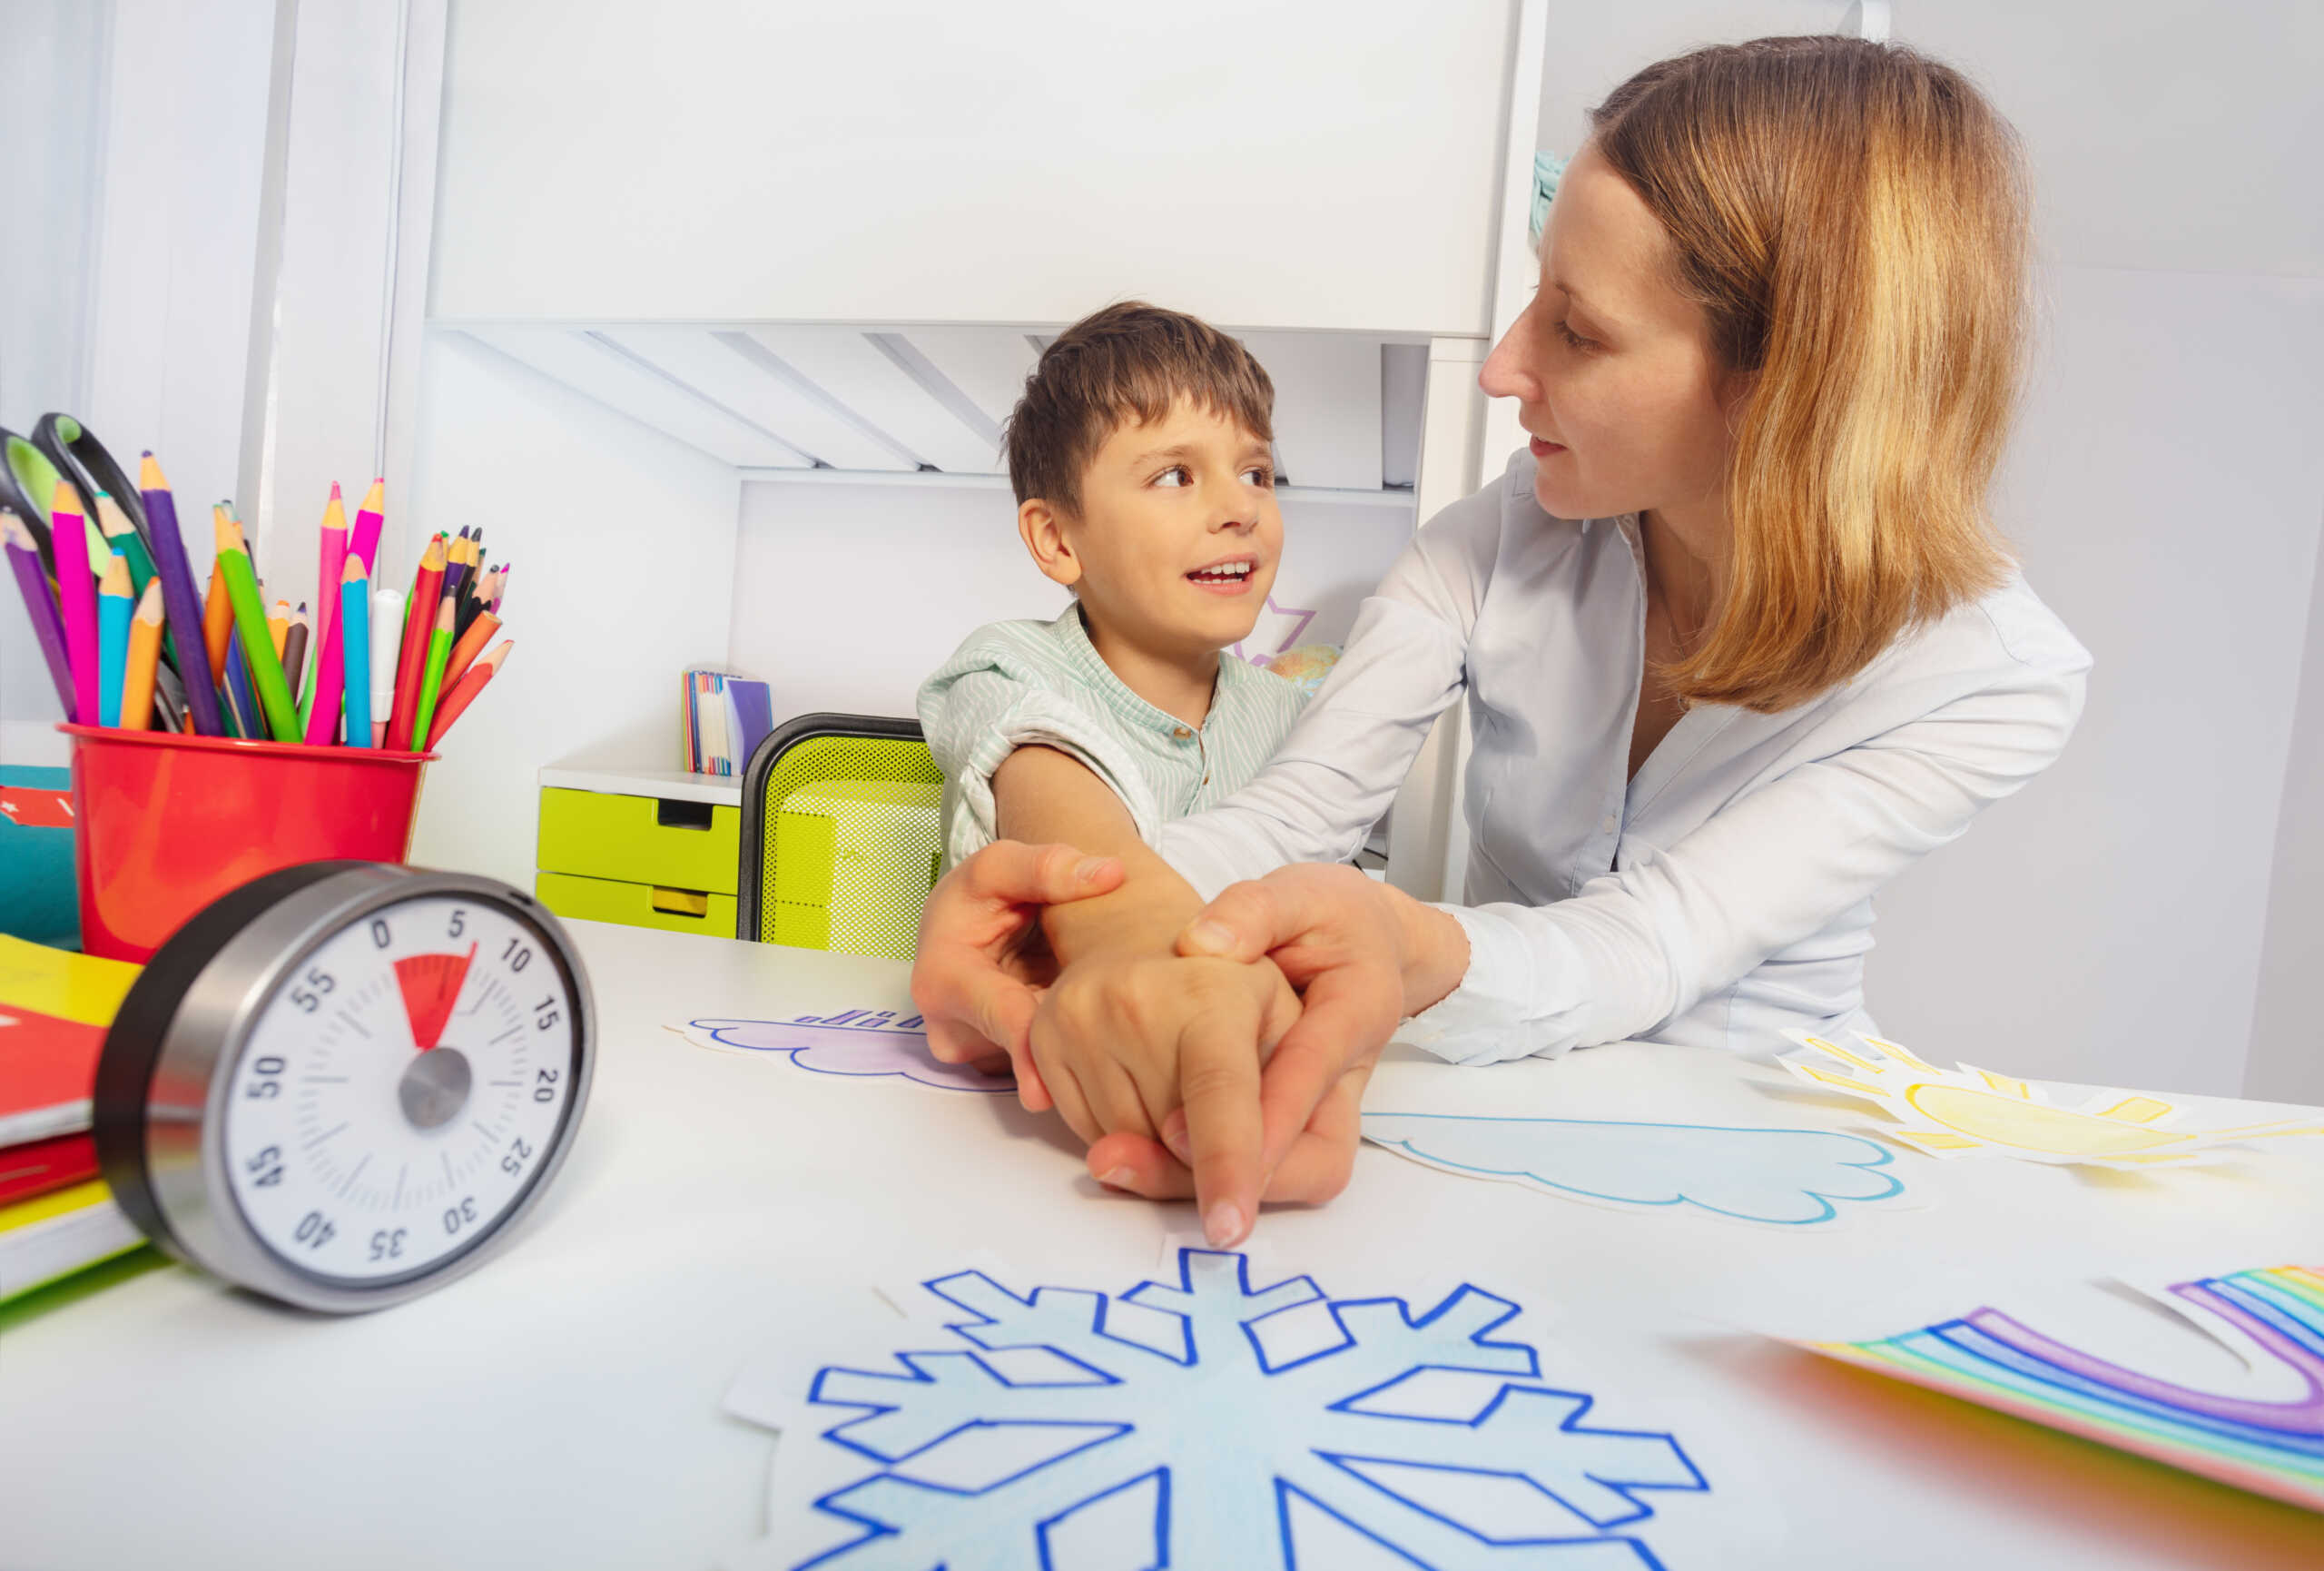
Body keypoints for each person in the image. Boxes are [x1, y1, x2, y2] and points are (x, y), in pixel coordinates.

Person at [911, 35, 2093, 1253]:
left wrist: (1405, 942)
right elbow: (1295, 815)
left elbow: (1656, 941)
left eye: (1577, 330)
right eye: (1540, 290)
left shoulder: (1991, 676)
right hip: (1482, 1114)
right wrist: (1086, 924)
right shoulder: (1490, 542)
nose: (1503, 365)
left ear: (1782, 387)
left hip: (1764, 1146)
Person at [916, 301, 1315, 1089]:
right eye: (1175, 475)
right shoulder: (1006, 669)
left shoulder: (1290, 721)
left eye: (1256, 473)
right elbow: (1045, 772)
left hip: (1248, 1064)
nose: (1239, 509)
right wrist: (1133, 938)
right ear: (1059, 540)